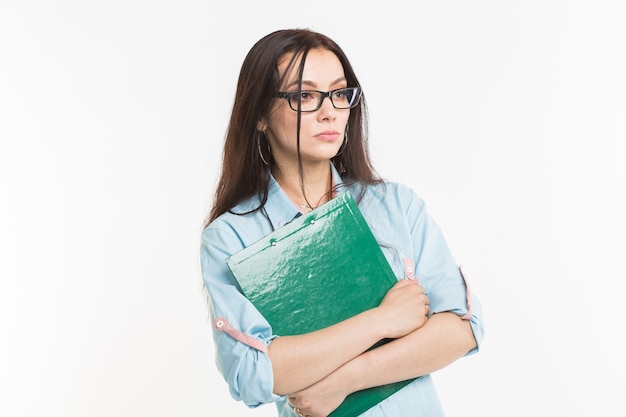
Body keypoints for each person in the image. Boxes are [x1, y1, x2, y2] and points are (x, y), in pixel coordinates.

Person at [200, 28, 484, 417]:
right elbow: (253, 373)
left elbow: (461, 329)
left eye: (339, 92)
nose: (329, 110)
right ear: (261, 115)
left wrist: (343, 380)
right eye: (304, 95)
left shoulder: (396, 205)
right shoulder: (232, 236)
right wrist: (383, 320)